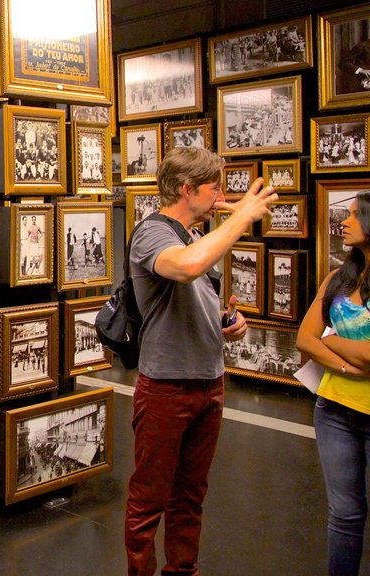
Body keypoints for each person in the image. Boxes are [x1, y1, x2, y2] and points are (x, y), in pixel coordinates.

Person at [124, 147, 277, 576]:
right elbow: (186, 268)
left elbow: (197, 293)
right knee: (149, 497)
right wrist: (243, 215)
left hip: (209, 383)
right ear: (187, 189)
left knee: (190, 496)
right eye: (213, 187)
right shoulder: (153, 233)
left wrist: (229, 321)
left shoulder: (195, 236)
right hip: (166, 387)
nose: (221, 195)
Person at [297, 191, 370, 576]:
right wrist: (345, 366)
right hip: (334, 410)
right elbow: (304, 339)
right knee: (344, 515)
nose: (344, 221)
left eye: (355, 215)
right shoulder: (339, 279)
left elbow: (322, 340)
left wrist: (334, 342)